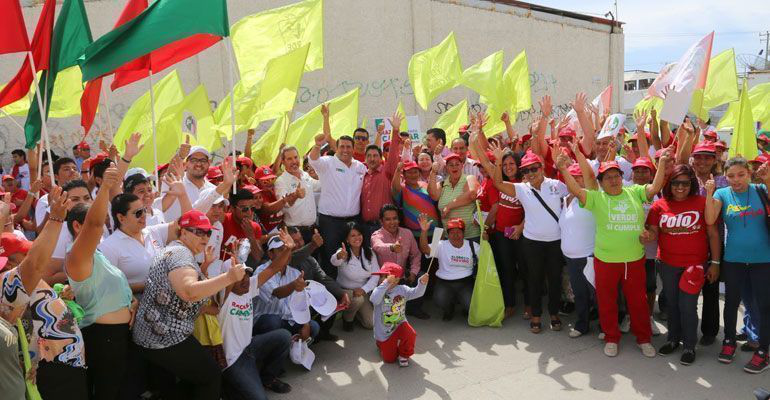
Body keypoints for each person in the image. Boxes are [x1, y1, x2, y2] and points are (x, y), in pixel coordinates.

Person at [556, 146, 670, 358]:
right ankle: (611, 337)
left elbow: (654, 188)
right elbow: (577, 190)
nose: (613, 180)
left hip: (634, 260)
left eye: (616, 175)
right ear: (600, 182)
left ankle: (643, 338)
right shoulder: (596, 198)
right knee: (607, 301)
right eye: (607, 177)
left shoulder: (634, 192)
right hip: (605, 260)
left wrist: (662, 162)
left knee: (638, 302)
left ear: (621, 176)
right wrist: (563, 169)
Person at [132, 209, 249, 400]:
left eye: (208, 232)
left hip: (158, 336)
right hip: (165, 338)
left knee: (193, 380)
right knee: (210, 376)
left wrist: (204, 268)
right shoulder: (180, 253)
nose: (205, 237)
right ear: (183, 232)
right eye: (198, 232)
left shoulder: (179, 252)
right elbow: (189, 292)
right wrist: (228, 277)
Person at [0, 187, 80, 399]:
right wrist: (55, 219)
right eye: (19, 260)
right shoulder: (5, 285)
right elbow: (34, 265)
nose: (23, 265)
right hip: (47, 369)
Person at [65, 161, 135, 399]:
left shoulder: (97, 255)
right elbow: (94, 224)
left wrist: (130, 304)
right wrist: (104, 188)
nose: (102, 228)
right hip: (102, 339)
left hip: (117, 337)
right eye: (96, 224)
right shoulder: (76, 255)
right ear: (76, 226)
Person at [647, 164, 721, 366]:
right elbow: (654, 233)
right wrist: (647, 236)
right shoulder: (658, 206)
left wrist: (714, 262)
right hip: (668, 264)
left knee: (687, 306)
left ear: (692, 184)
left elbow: (713, 234)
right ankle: (672, 339)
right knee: (672, 304)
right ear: (668, 184)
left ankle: (689, 345)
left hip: (694, 266)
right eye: (675, 183)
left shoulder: (702, 202)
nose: (680, 187)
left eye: (685, 183)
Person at [488, 147, 567, 333]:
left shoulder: (557, 185)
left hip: (555, 242)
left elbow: (578, 190)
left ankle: (554, 313)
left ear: (541, 168)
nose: (530, 173)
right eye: (525, 170)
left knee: (554, 279)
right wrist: (499, 161)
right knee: (534, 279)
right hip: (532, 243)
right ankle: (536, 315)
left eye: (534, 168)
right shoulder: (522, 189)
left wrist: (563, 166)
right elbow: (498, 183)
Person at [705, 157, 770, 373]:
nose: (736, 180)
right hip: (734, 260)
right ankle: (729, 342)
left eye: (741, 174)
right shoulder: (722, 193)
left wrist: (768, 181)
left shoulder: (761, 189)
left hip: (763, 259)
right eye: (731, 176)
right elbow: (710, 218)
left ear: (749, 174)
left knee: (764, 305)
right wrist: (709, 192)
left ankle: (763, 350)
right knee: (731, 303)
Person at [218, 229, 297, 400]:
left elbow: (274, 267)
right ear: (228, 280)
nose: (246, 279)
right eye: (240, 277)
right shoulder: (223, 297)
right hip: (233, 360)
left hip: (250, 348)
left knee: (283, 336)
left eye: (247, 274)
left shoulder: (249, 287)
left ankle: (267, 378)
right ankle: (228, 386)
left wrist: (289, 248)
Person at [308, 108, 367, 274]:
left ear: (354, 148)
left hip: (353, 221)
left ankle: (348, 288)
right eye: (342, 146)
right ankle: (332, 295)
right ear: (337, 148)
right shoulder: (327, 163)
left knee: (351, 257)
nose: (345, 150)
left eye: (349, 147)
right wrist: (318, 145)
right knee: (330, 258)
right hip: (330, 222)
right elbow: (313, 159)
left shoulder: (360, 167)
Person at [474, 145, 528, 320]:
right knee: (506, 270)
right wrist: (475, 137)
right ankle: (510, 305)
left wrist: (520, 227)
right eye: (505, 165)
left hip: (521, 234)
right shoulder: (499, 181)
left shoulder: (525, 184)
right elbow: (484, 162)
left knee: (525, 269)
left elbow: (532, 211)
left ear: (518, 165)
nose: (508, 167)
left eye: (512, 163)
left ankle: (529, 305)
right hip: (500, 234)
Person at [690, 141, 727, 346]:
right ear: (693, 160)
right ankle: (687, 328)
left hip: (715, 242)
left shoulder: (724, 182)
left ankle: (710, 331)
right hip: (689, 242)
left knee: (711, 290)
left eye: (707, 157)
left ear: (714, 160)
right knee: (688, 289)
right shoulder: (686, 181)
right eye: (699, 157)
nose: (702, 161)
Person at [252, 235, 319, 341]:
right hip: (265, 321)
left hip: (287, 319)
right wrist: (293, 285)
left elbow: (302, 303)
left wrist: (305, 323)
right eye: (280, 250)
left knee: (313, 327)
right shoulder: (261, 271)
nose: (286, 254)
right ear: (270, 254)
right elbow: (277, 293)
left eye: (287, 250)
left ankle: (291, 344)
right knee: (273, 321)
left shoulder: (295, 273)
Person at [288, 227, 350, 341]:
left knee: (333, 297)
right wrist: (313, 245)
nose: (299, 244)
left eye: (300, 239)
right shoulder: (284, 259)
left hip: (311, 299)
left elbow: (323, 278)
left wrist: (341, 293)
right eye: (294, 241)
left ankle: (323, 332)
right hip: (291, 305)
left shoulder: (309, 259)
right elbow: (293, 258)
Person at [558, 160, 596, 338]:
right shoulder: (565, 200)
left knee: (597, 295)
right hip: (571, 257)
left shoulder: (589, 197)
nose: (574, 181)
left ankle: (606, 326)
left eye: (578, 177)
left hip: (589, 256)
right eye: (571, 178)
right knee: (579, 293)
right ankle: (582, 325)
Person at [370, 203, 427, 319]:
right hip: (385, 279)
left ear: (399, 219)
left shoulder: (407, 233)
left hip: (403, 276)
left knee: (421, 276)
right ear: (381, 221)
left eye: (395, 218)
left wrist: (413, 272)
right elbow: (377, 246)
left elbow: (416, 255)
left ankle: (414, 309)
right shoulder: (376, 235)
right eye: (388, 219)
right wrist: (392, 247)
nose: (392, 222)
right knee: (389, 315)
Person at [418, 216, 478, 321]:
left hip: (466, 282)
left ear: (463, 233)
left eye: (458, 232)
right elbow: (425, 249)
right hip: (444, 282)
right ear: (447, 234)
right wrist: (424, 231)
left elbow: (486, 261)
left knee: (470, 305)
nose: (455, 235)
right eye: (452, 232)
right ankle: (449, 309)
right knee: (439, 299)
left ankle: (466, 308)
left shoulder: (473, 246)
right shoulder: (441, 245)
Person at [370, 262, 428, 367]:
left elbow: (417, 293)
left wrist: (422, 283)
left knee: (411, 334)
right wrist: (386, 283)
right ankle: (381, 343)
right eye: (382, 276)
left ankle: (404, 355)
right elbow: (374, 299)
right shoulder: (379, 290)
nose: (384, 279)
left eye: (388, 277)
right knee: (389, 359)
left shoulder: (402, 289)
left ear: (397, 280)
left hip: (400, 323)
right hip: (384, 332)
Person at [331, 222, 381, 330]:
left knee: (371, 323)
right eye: (353, 235)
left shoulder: (369, 252)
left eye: (359, 234)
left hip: (362, 291)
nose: (357, 238)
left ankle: (356, 311)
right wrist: (339, 256)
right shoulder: (343, 252)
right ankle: (347, 319)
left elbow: (376, 275)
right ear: (347, 239)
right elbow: (334, 261)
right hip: (345, 291)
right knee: (358, 300)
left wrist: (364, 289)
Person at [361, 113, 403, 237]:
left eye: (375, 156)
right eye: (369, 156)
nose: (372, 159)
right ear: (365, 158)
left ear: (381, 158)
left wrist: (395, 131)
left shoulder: (387, 171)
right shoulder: (362, 175)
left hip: (384, 227)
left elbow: (393, 152)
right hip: (365, 227)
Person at [428, 152, 480, 240]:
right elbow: (433, 195)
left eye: (457, 164)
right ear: (446, 168)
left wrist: (449, 206)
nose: (454, 167)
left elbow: (472, 194)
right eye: (451, 165)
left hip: (470, 235)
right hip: (449, 237)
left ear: (462, 166)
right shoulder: (442, 184)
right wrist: (433, 172)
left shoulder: (469, 178)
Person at [275, 146, 321, 242]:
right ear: (283, 162)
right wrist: (295, 195)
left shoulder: (305, 175)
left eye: (295, 157)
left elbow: (319, 186)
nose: (294, 161)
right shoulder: (281, 181)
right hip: (295, 233)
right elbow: (285, 204)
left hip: (312, 229)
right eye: (289, 159)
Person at [159, 146, 215, 221]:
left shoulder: (213, 189)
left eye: (203, 160)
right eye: (193, 160)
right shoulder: (176, 180)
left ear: (209, 163)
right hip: (173, 232)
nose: (198, 164)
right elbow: (171, 172)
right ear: (186, 164)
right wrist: (180, 155)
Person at [221, 188, 264, 263]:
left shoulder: (255, 227)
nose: (249, 212)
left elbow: (258, 257)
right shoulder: (223, 221)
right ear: (232, 208)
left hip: (239, 270)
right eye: (245, 209)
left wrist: (251, 237)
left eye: (252, 208)